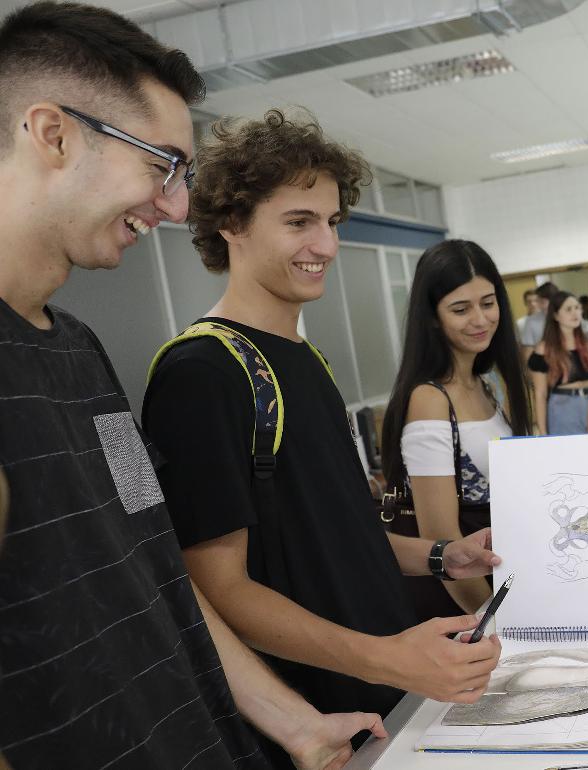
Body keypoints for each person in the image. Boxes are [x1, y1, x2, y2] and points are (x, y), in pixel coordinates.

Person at [0, 3, 385, 768]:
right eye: (159, 164)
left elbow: (160, 566)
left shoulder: (81, 355)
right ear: (53, 135)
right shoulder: (201, 367)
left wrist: (296, 722)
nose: (176, 204)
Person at [141, 109, 503, 766]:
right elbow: (220, 591)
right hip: (318, 720)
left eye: (332, 222)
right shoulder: (201, 372)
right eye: (299, 222)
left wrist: (440, 556)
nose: (327, 246)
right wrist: (384, 657)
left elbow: (331, 534)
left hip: (392, 691)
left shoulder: (308, 359)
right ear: (232, 224)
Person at [379, 238, 531, 620]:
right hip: (464, 609)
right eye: (460, 309)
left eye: (488, 302)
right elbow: (442, 544)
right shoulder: (430, 400)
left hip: (501, 586)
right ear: (432, 317)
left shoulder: (485, 385)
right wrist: (493, 622)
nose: (480, 320)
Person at [529, 290, 588, 435]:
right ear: (555, 315)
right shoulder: (545, 349)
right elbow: (540, 394)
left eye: (577, 308)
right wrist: (543, 431)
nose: (575, 313)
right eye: (568, 309)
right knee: (570, 455)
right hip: (563, 407)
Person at [519, 280, 558, 361]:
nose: (539, 305)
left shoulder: (567, 317)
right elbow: (527, 354)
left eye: (542, 302)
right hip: (543, 367)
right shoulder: (531, 321)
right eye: (538, 301)